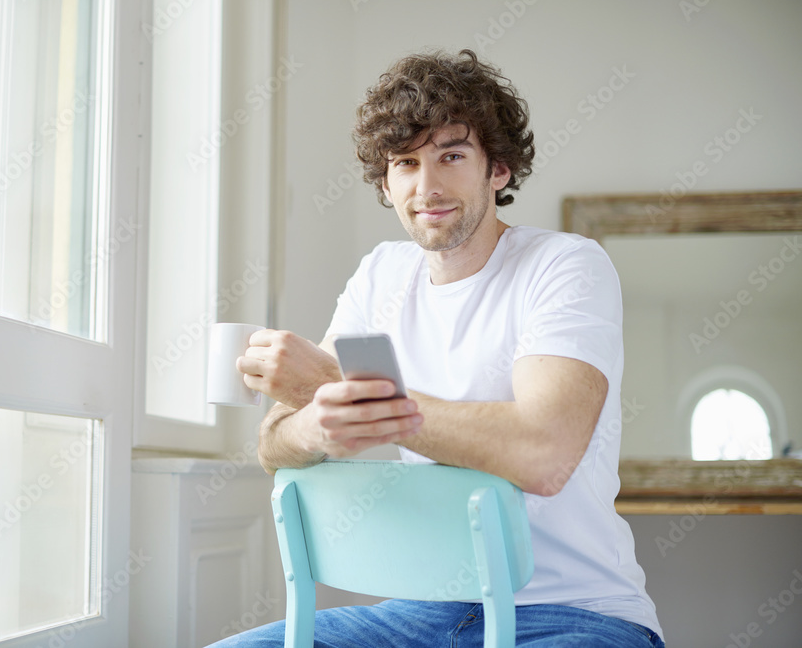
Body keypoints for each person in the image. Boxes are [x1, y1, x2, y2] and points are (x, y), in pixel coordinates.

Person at [211, 48, 664, 647]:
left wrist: (335, 390)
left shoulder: (565, 264)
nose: (428, 187)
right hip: (422, 611)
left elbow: (544, 455)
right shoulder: (380, 274)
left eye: (452, 155)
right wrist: (319, 426)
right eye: (405, 163)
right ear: (386, 179)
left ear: (497, 169)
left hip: (575, 611)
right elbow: (274, 445)